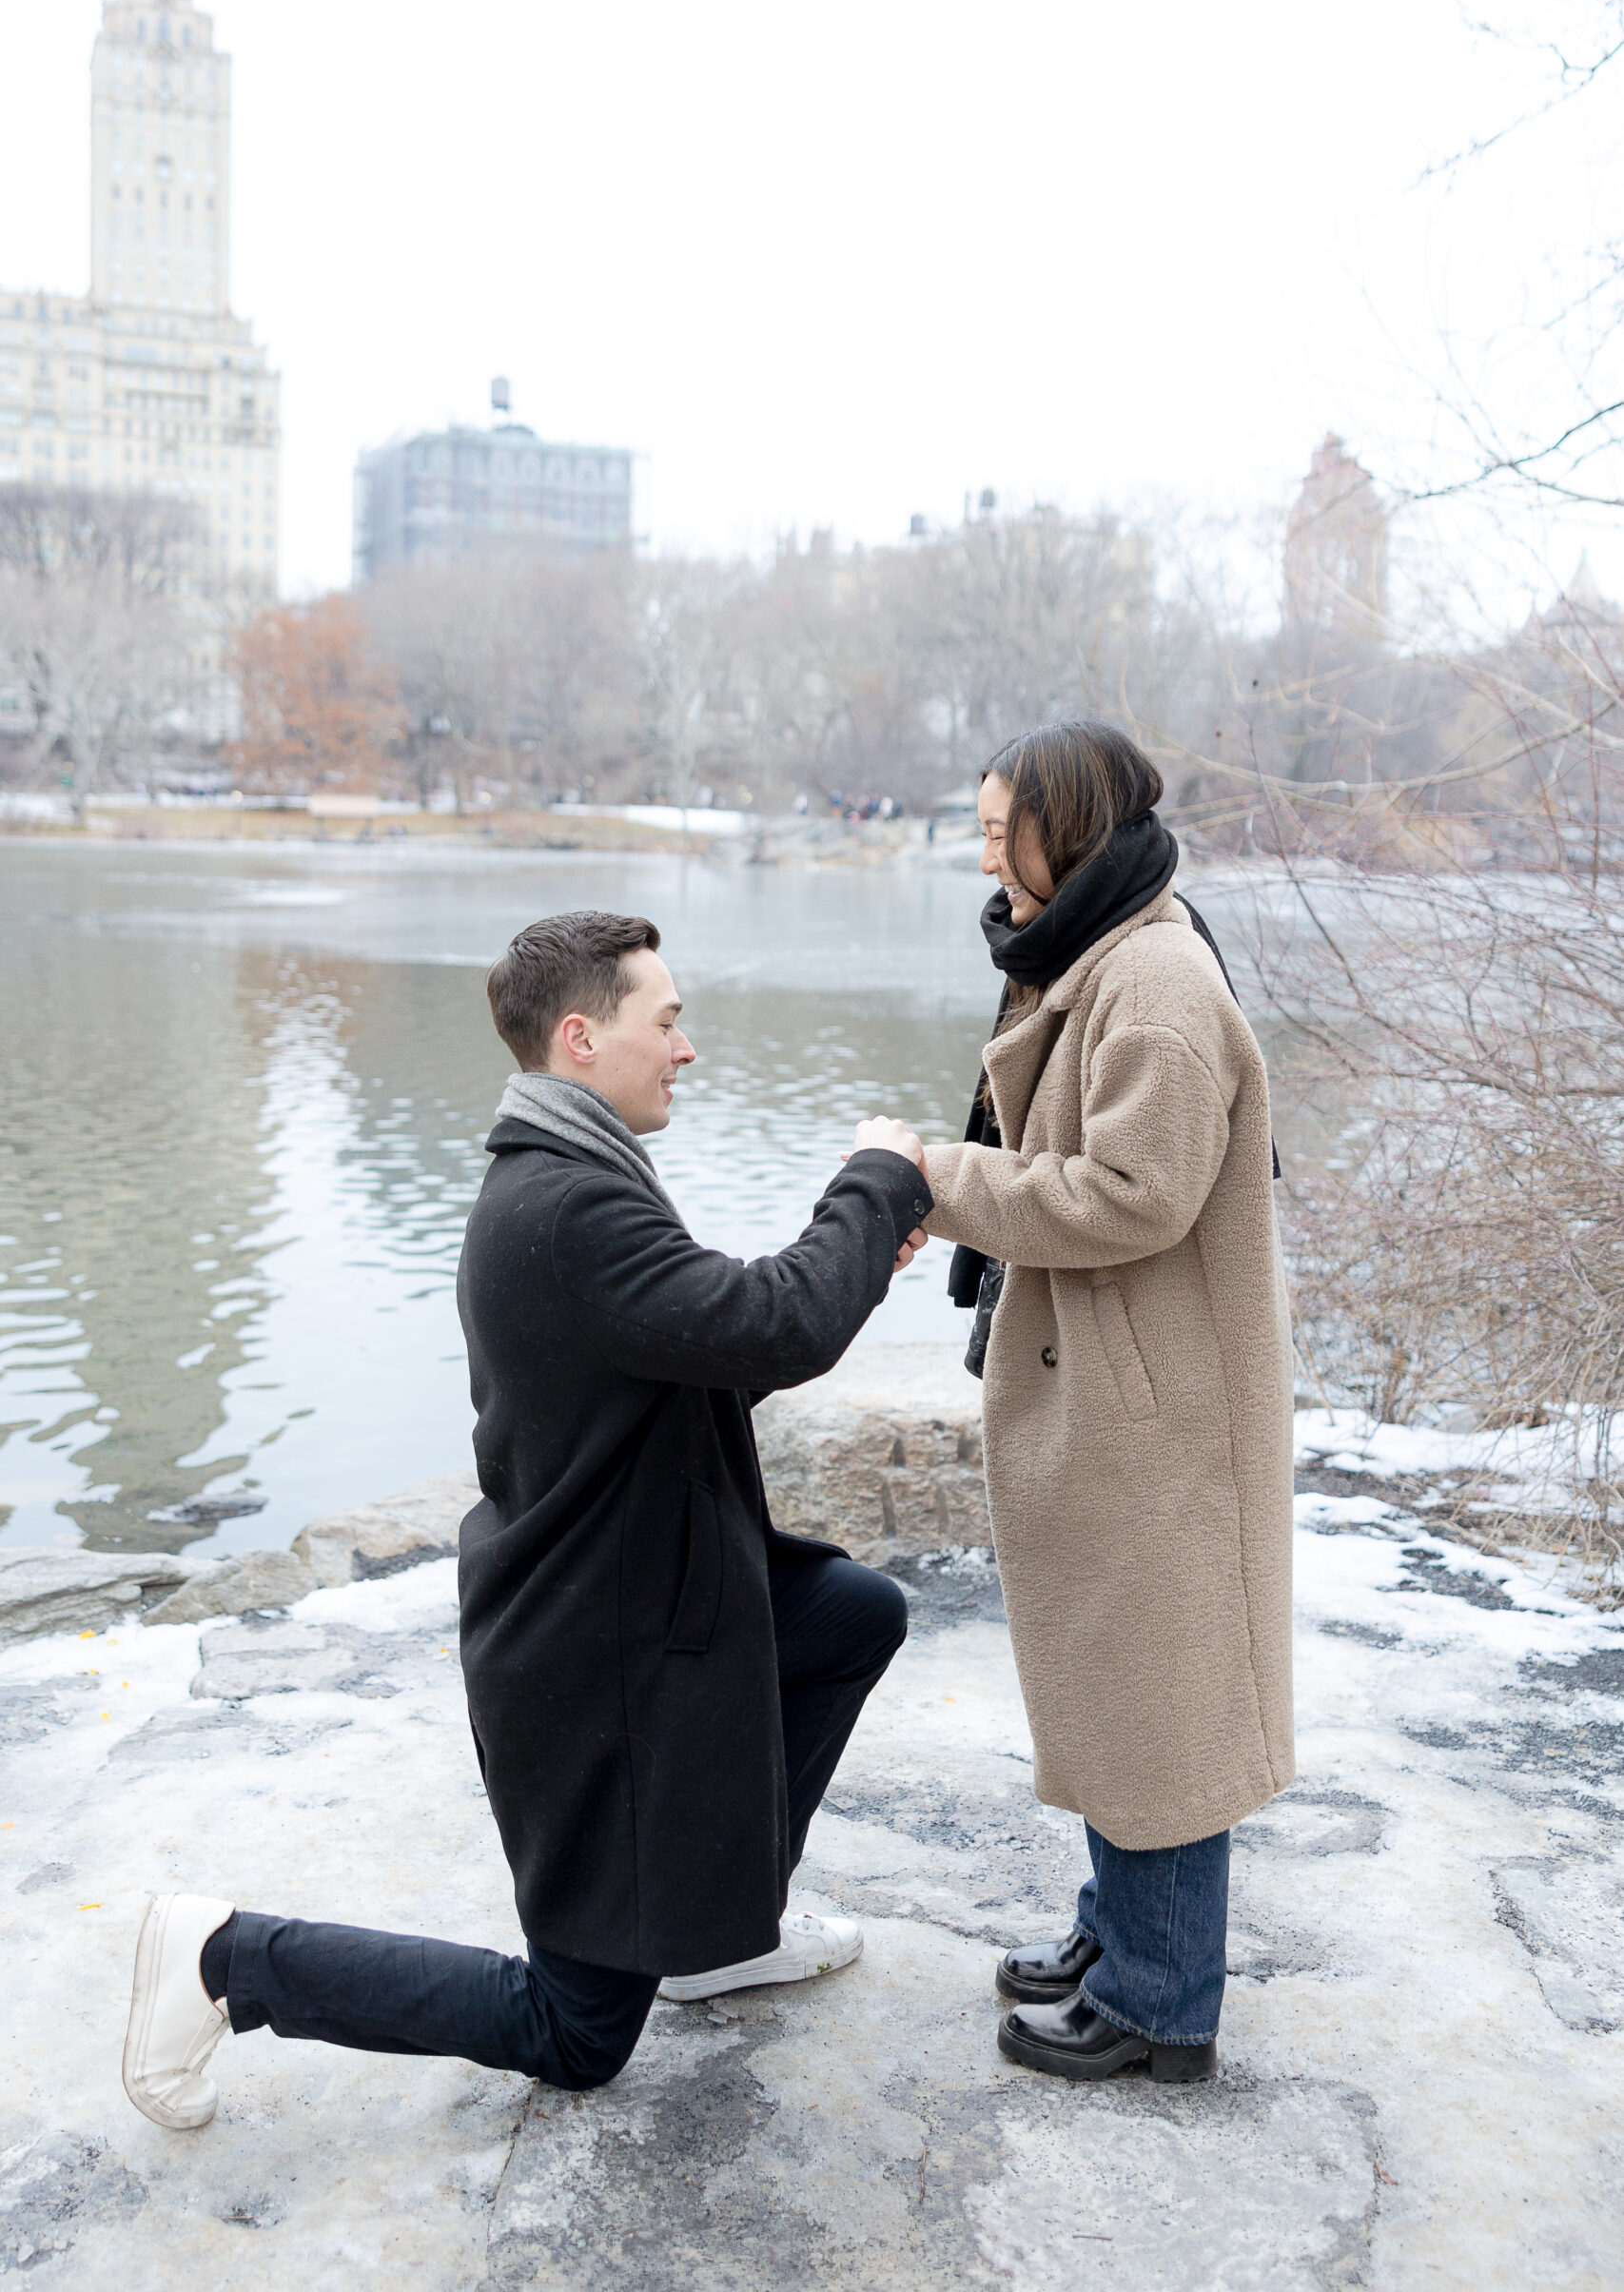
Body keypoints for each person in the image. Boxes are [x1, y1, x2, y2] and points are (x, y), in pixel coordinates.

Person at [123, 909, 931, 2130]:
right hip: (591, 1654)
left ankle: (716, 1930)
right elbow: (776, 1325)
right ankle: (223, 1957)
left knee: (849, 1613)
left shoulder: (573, 1179)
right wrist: (875, 1183)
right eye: (667, 1022)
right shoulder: (566, 1209)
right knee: (578, 2032)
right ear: (580, 1037)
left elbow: (712, 1352)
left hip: (645, 1591)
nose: (687, 1048)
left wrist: (862, 1255)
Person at [916, 721, 1294, 2085]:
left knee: (1164, 1708)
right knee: (1114, 1690)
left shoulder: (1153, 979)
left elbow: (1138, 1194)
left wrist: (936, 1179)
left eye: (992, 829)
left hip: (1159, 1404)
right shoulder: (1089, 946)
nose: (978, 852)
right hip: (1118, 1387)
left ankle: (1160, 2005)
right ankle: (1118, 1932)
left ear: (1058, 833)